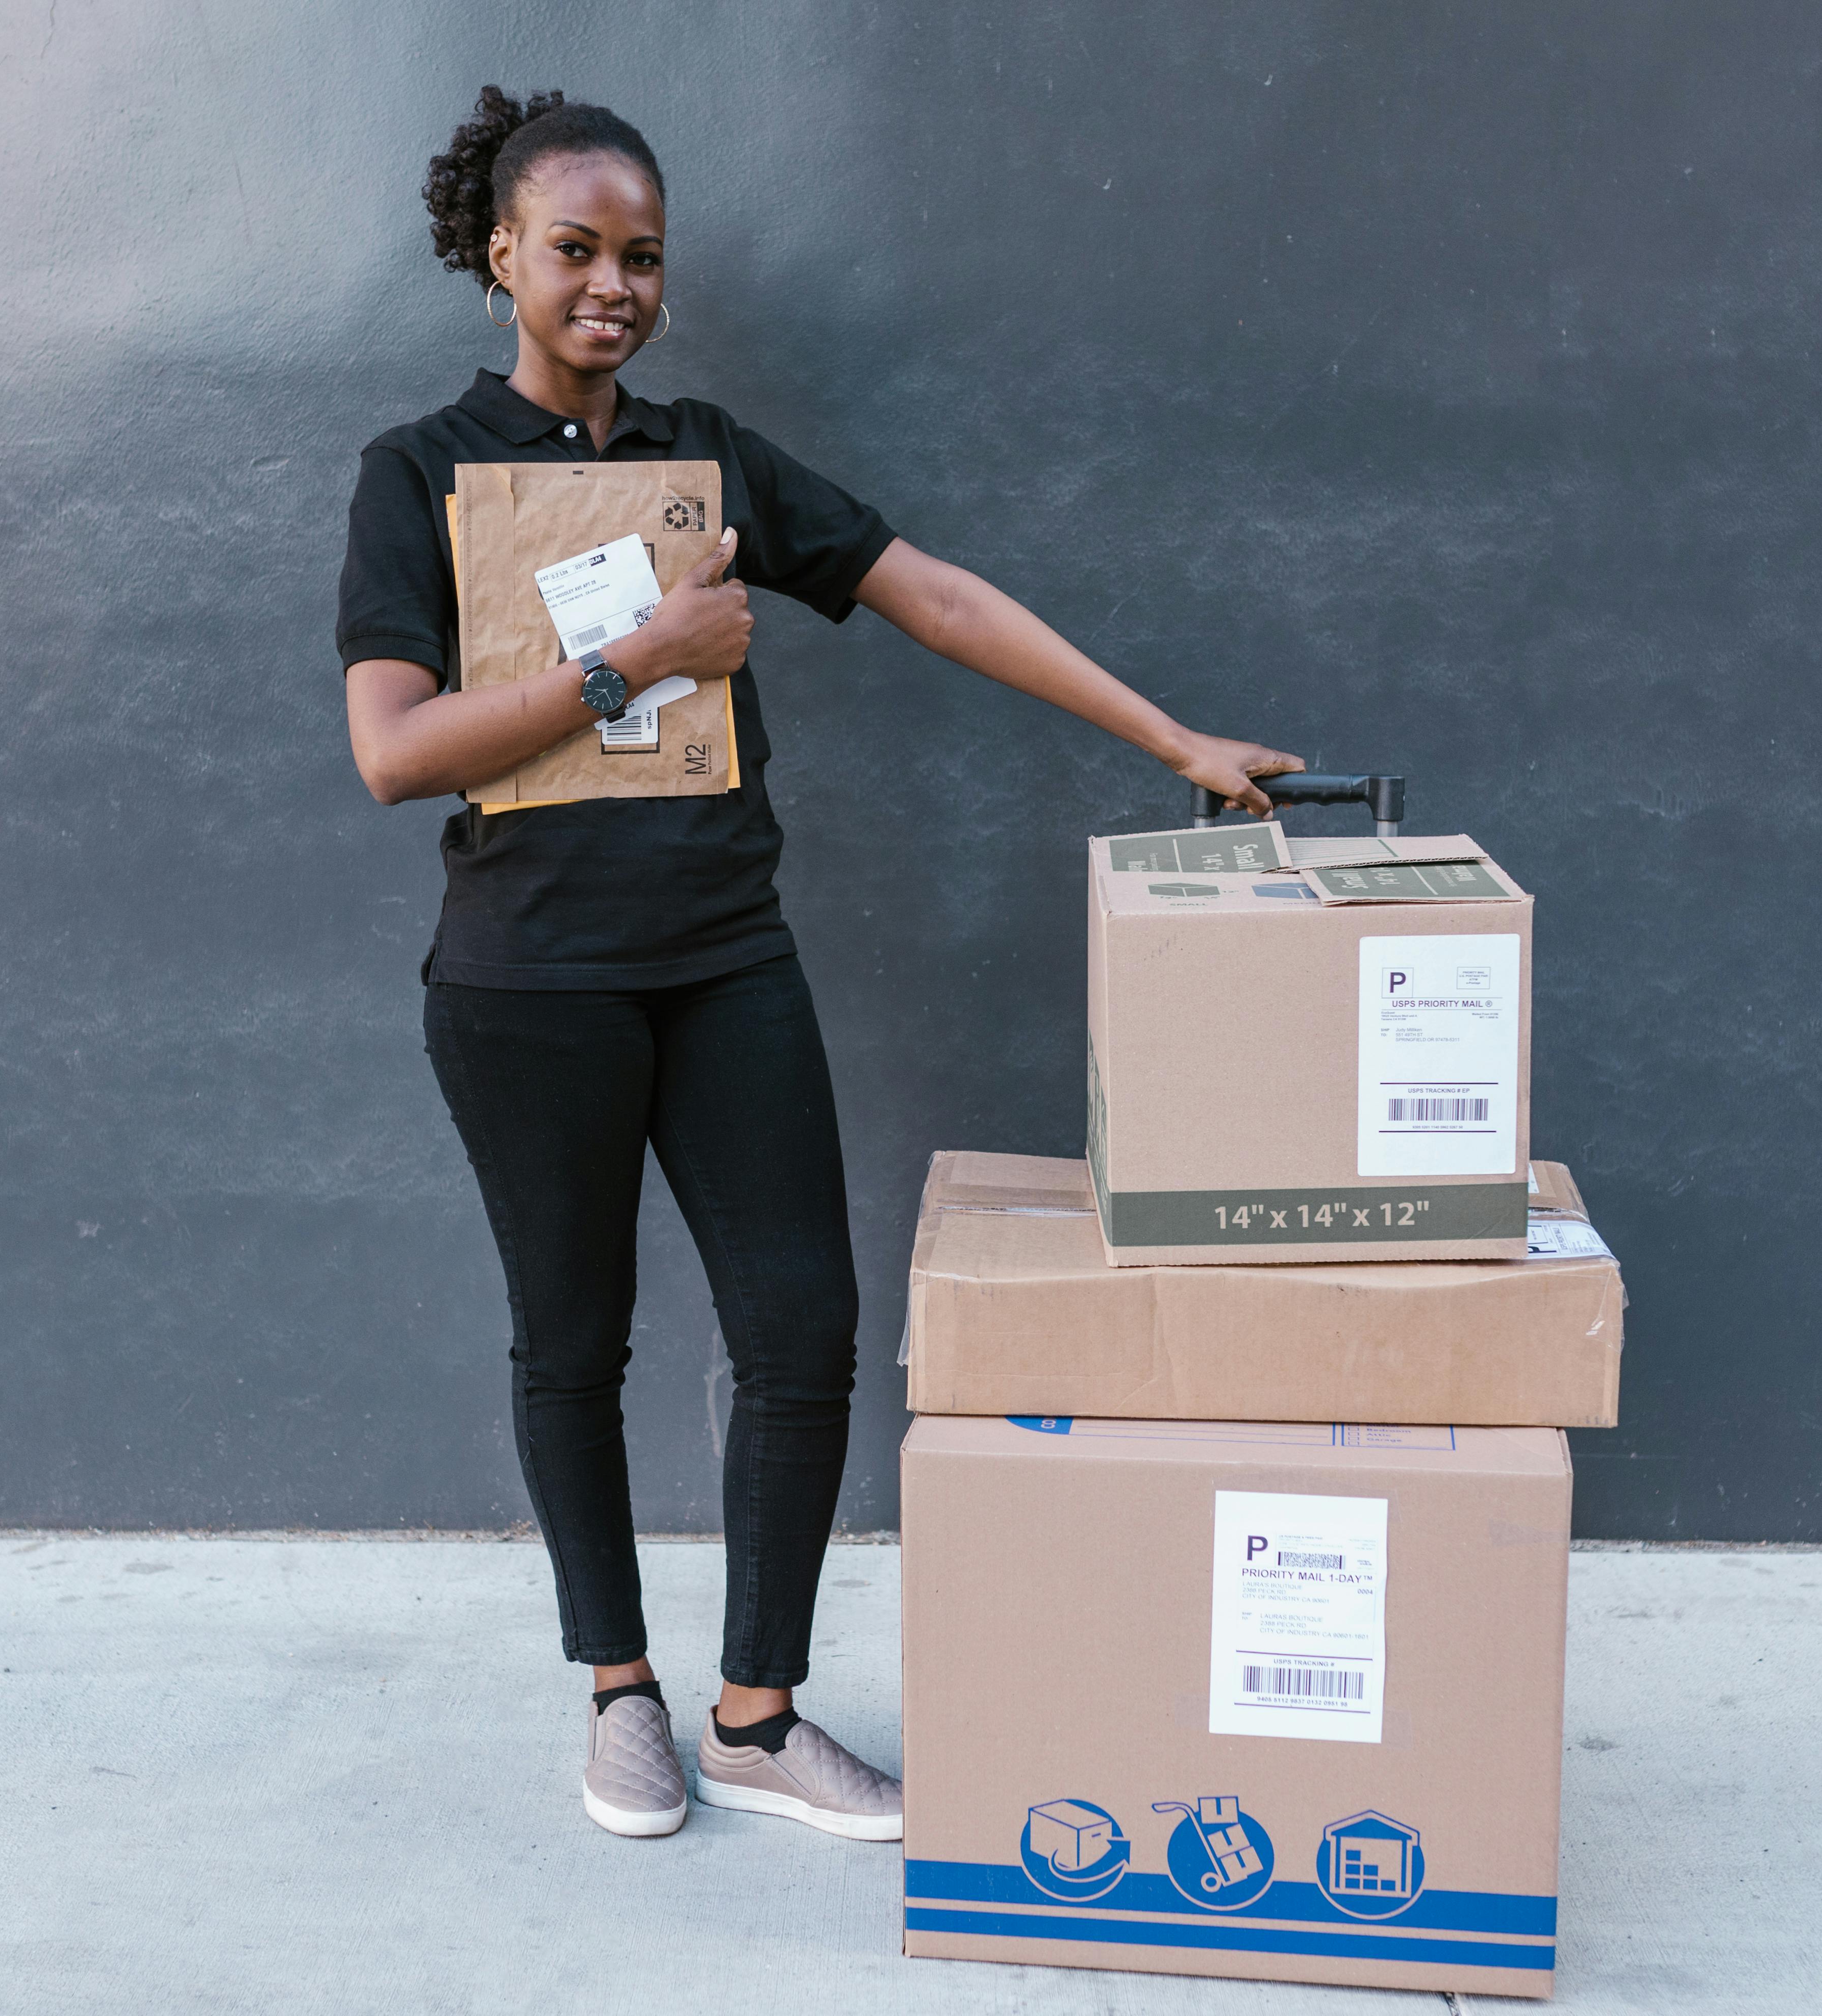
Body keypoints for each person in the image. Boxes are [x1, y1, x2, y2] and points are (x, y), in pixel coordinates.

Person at [335, 86, 1302, 1845]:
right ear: (501, 258)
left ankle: (760, 1716)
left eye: (642, 257)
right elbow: (396, 753)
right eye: (576, 251)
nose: (614, 286)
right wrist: (647, 656)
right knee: (576, 1345)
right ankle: (622, 1694)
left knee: (805, 1327)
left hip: (723, 963)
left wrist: (1164, 737)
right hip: (526, 985)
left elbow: (932, 593)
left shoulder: (708, 462)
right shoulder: (419, 476)